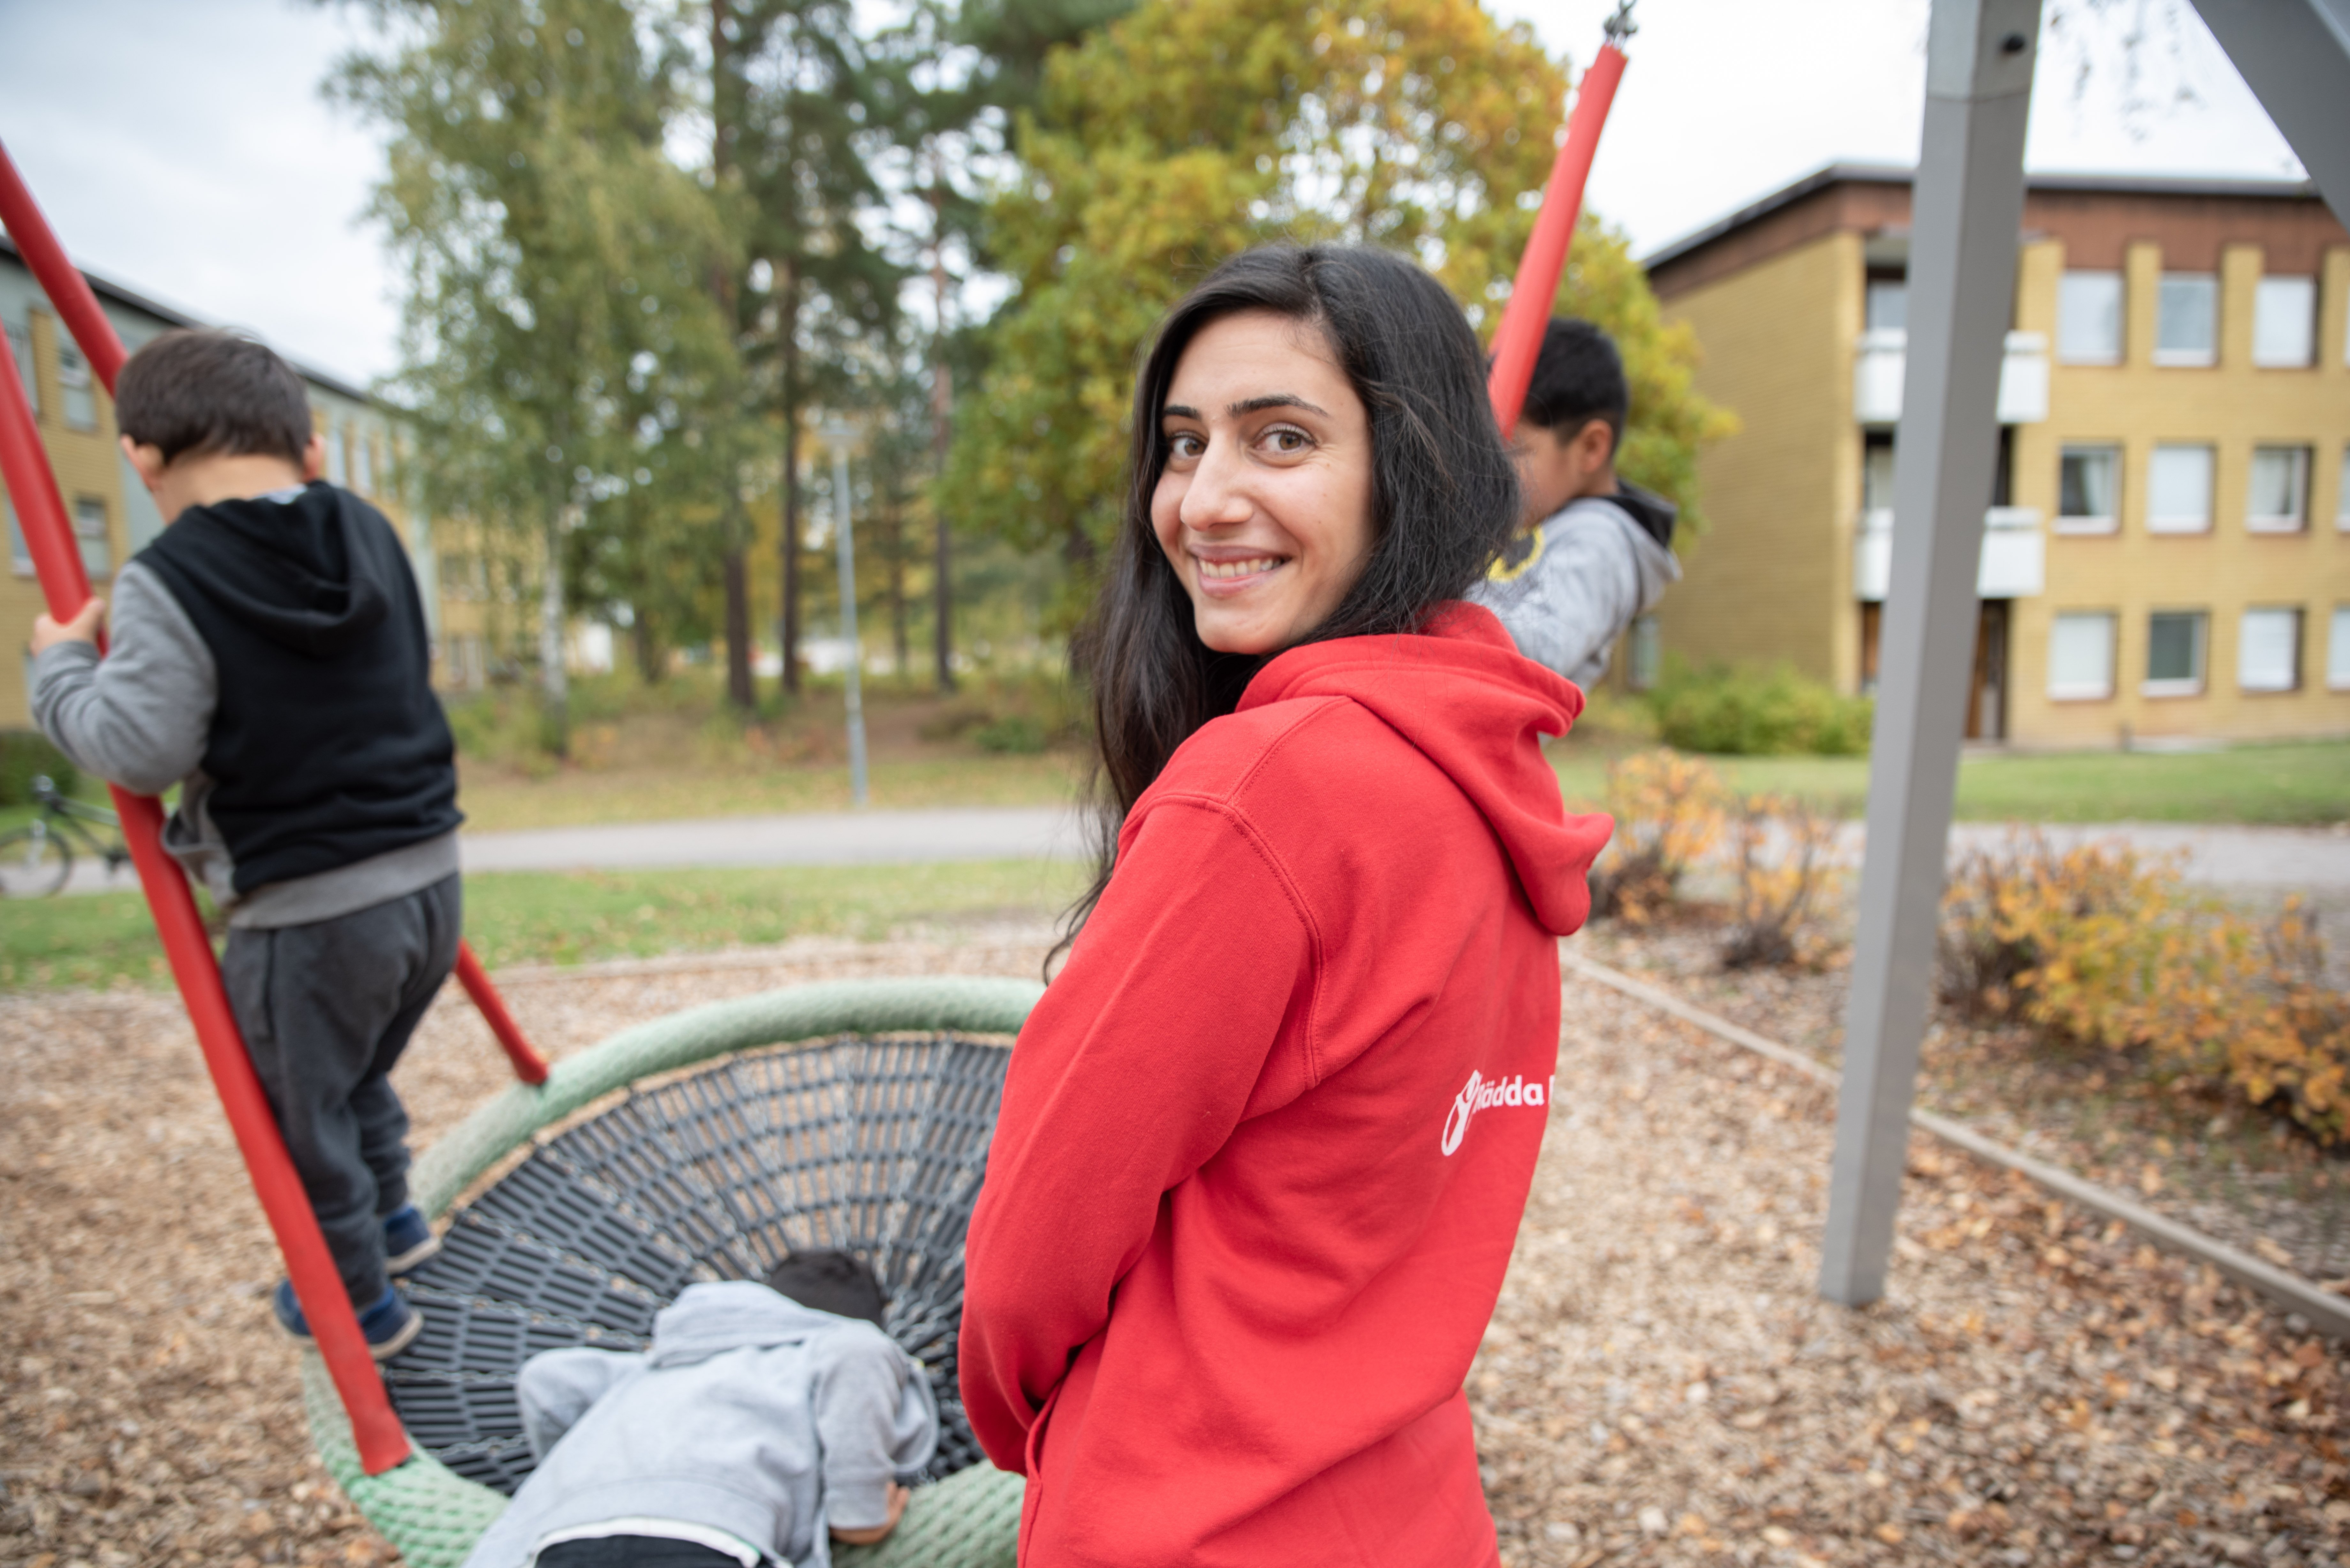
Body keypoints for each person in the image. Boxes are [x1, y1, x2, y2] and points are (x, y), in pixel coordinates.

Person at [957, 246, 1612, 1566]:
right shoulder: (1481, 769)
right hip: (1406, 1505)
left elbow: (1029, 1257)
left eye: (1283, 439)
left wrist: (1040, 1428)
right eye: (1185, 444)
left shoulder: (1268, 795)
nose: (1204, 499)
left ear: (1408, 470)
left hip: (1188, 1513)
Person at [28, 329, 462, 1359]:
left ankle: (355, 1304)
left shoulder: (169, 577)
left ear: (140, 457)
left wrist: (58, 670)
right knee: (355, 1080)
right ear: (309, 449)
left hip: (307, 913)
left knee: (299, 1121)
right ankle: (396, 1221)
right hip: (433, 883)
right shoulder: (368, 529)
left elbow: (138, 747)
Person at [459, 1250, 939, 1568]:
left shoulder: (661, 1368)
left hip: (561, 1537)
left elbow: (548, 1383)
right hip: (703, 1536)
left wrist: (595, 1486)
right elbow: (859, 1353)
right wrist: (860, 1511)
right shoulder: (834, 1344)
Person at [1469, 316, 1680, 689]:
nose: (1491, 469)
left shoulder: (1602, 542)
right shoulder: (1546, 523)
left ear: (1590, 448)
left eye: (1513, 448)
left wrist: (1433, 606)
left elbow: (1542, 651)